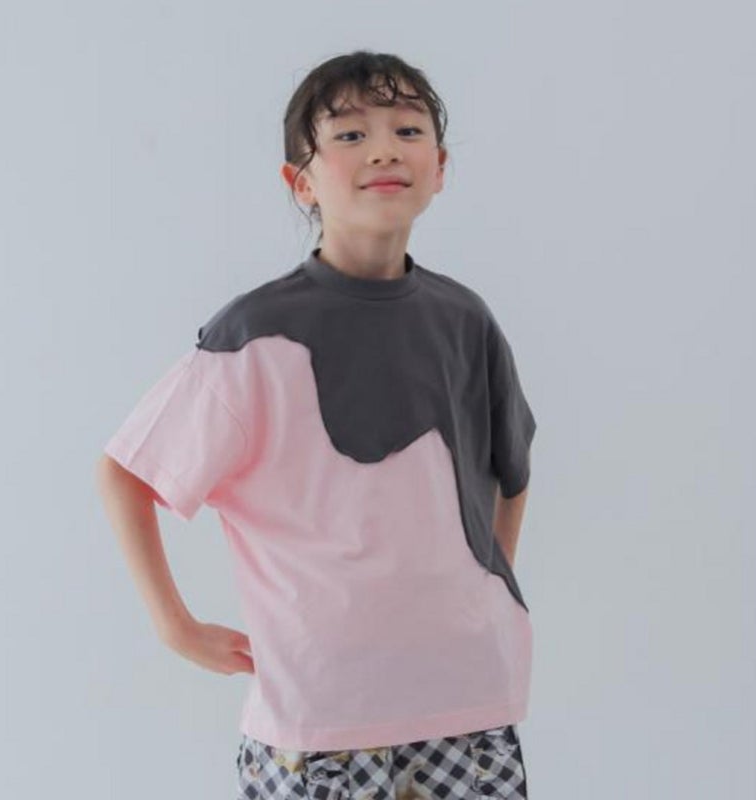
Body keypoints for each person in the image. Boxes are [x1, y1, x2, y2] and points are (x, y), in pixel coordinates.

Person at [97, 49, 537, 799]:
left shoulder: (466, 320)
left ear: (439, 168)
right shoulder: (253, 335)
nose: (385, 150)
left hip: (470, 707)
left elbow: (510, 469)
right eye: (350, 135)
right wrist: (175, 625)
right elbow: (127, 471)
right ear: (299, 180)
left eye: (407, 130)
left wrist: (479, 601)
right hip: (320, 719)